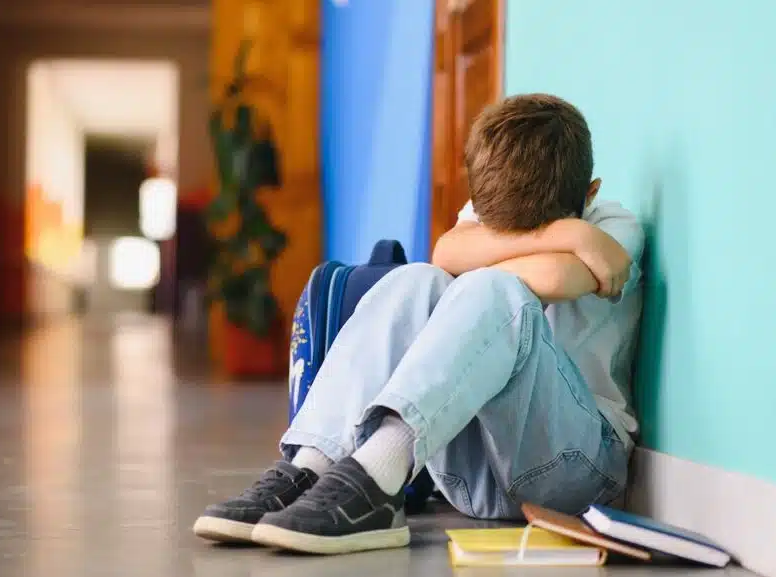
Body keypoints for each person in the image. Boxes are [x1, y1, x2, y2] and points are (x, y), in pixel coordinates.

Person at [193, 93, 644, 555]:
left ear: (590, 194)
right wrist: (569, 232)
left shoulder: (614, 225)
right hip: (476, 479)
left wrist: (554, 236)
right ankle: (313, 466)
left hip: (578, 473)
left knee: (495, 289)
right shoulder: (575, 231)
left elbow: (551, 277)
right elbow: (445, 253)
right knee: (417, 281)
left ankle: (375, 478)